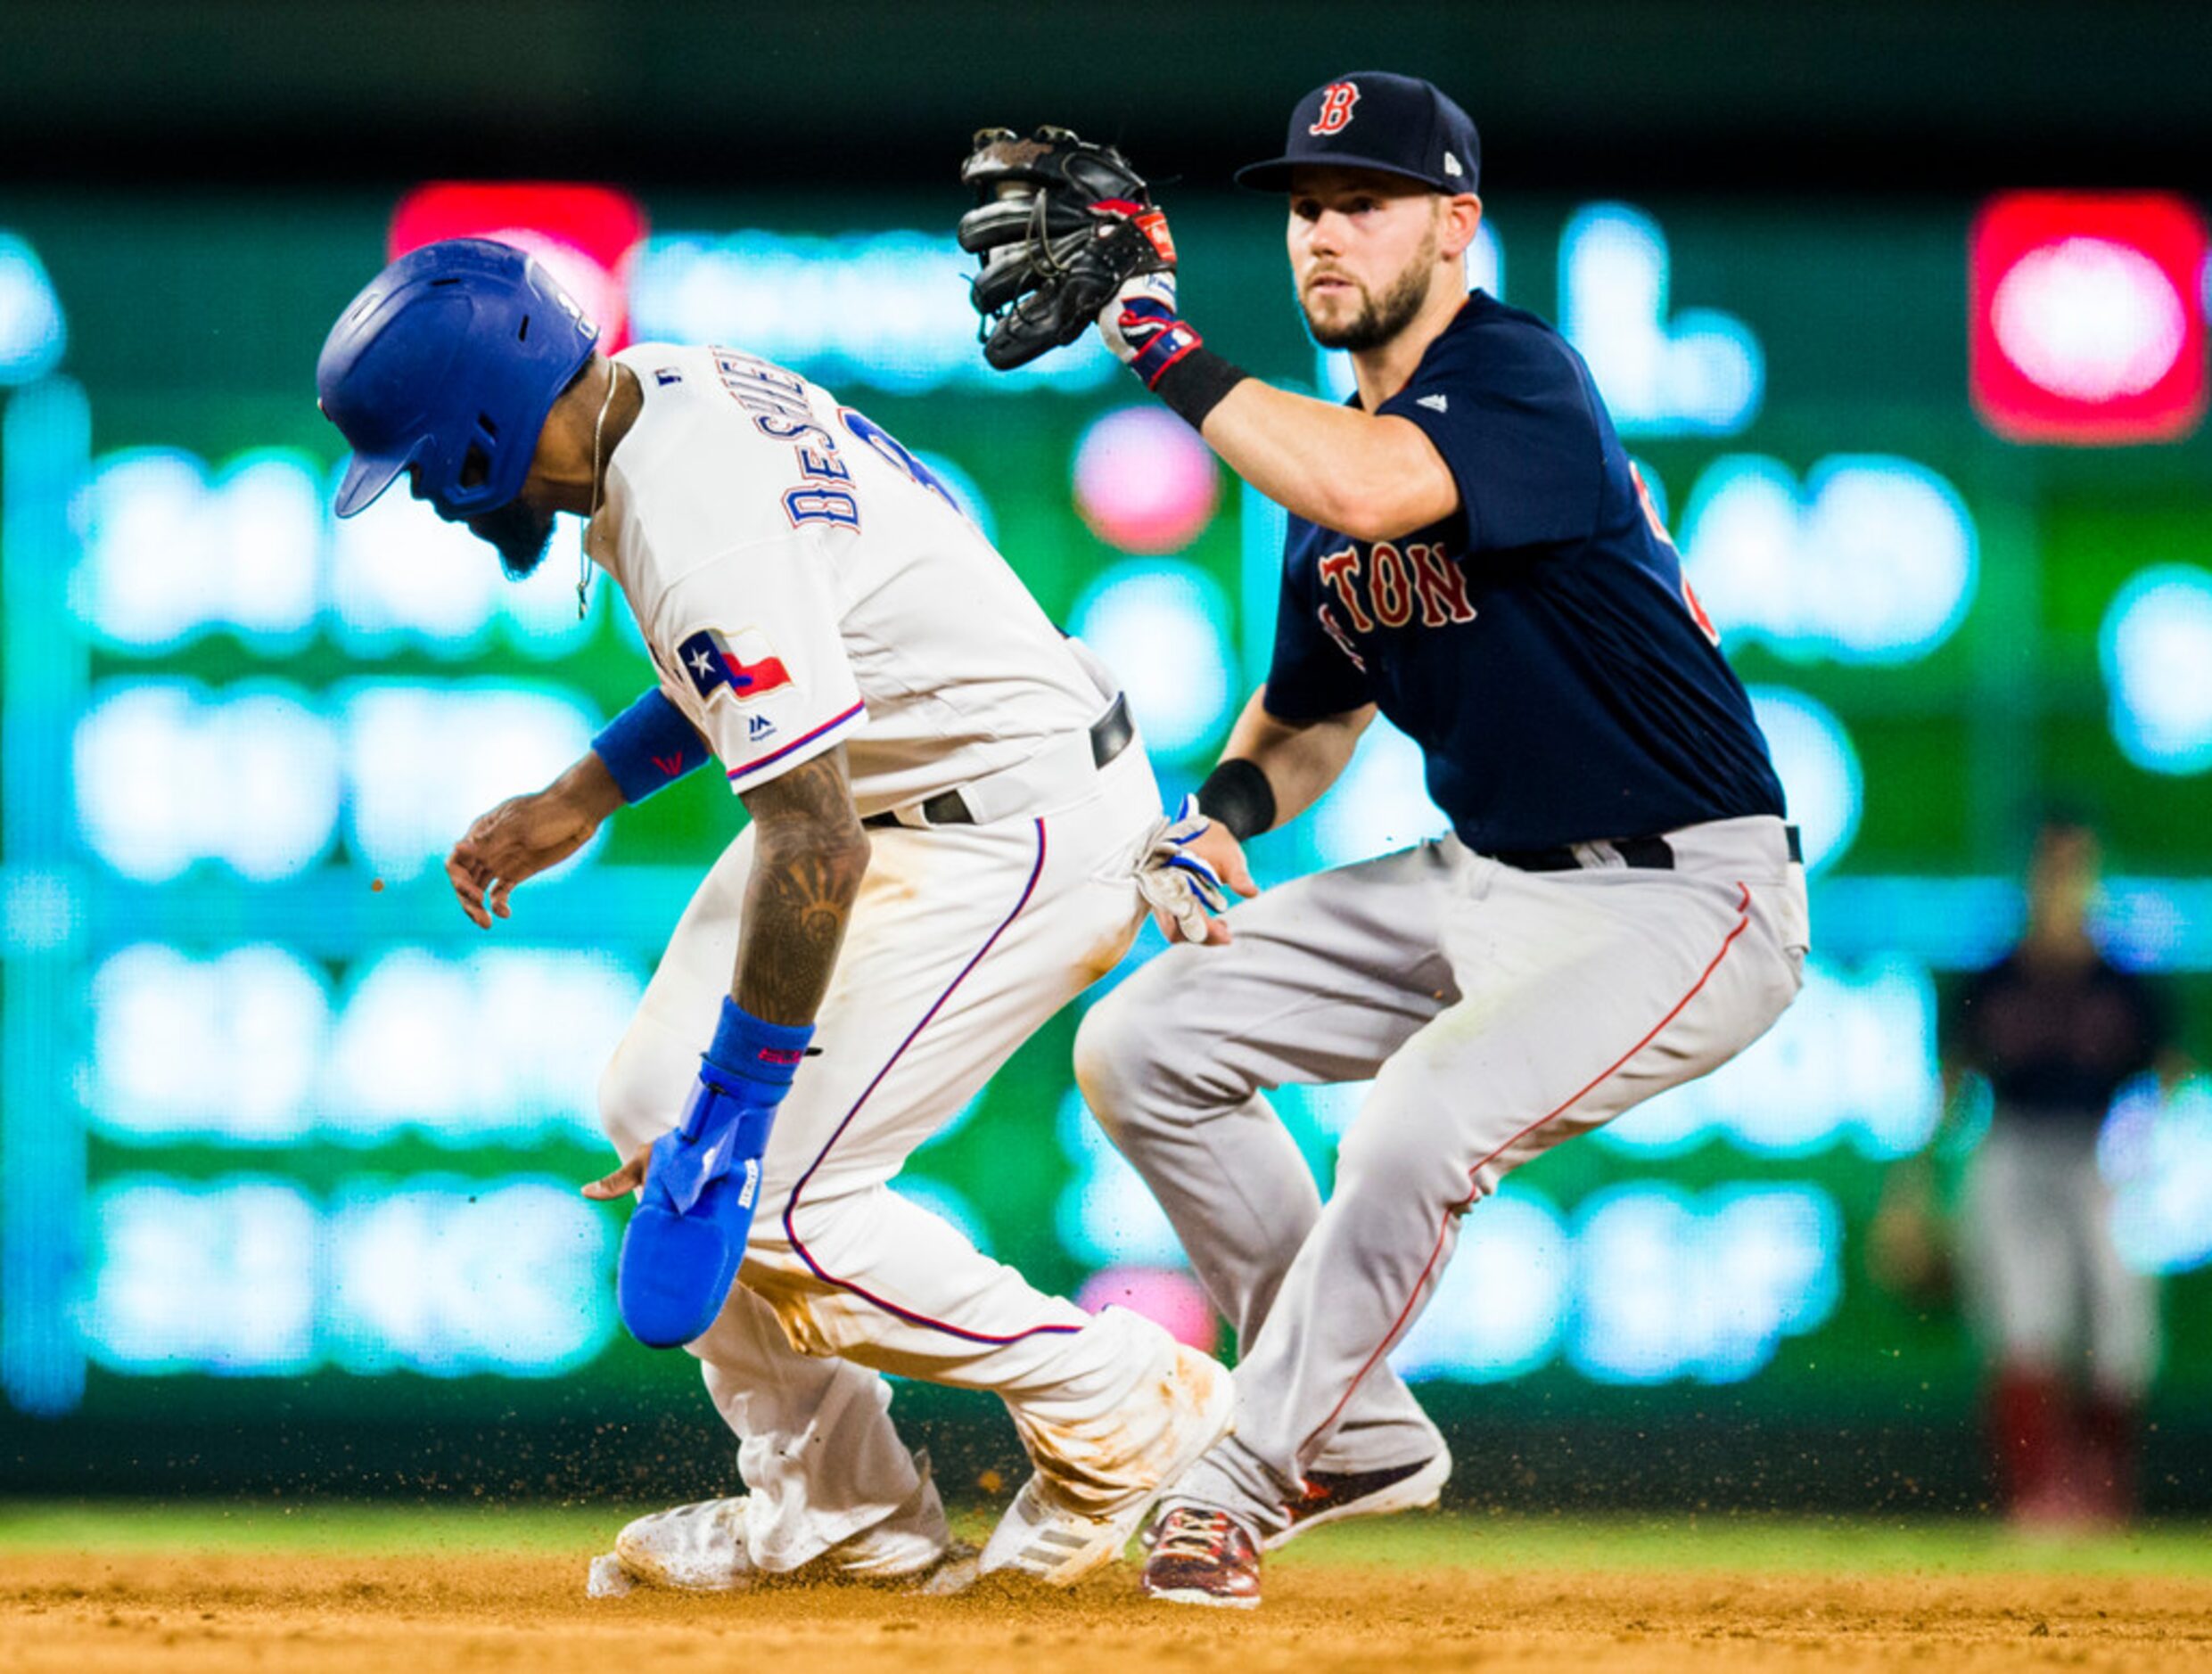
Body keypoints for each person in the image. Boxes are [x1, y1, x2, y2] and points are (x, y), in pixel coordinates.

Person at [314, 237, 1236, 1595]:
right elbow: (790, 650)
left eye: (416, 469)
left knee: (772, 1201)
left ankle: (1117, 1394)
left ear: (474, 437)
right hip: (910, 784)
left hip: (1013, 830)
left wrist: (734, 1120)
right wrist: (584, 792)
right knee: (648, 1106)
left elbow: (813, 838)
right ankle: (841, 1512)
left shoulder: (695, 521)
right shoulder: (657, 394)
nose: (431, 505)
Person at [1053, 73, 1813, 1606]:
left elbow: (1373, 484)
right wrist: (1223, 812)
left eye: (1363, 201)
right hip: (1482, 878)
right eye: (1303, 208)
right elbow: (1312, 711)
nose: (1322, 233)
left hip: (1686, 892)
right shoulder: (1324, 468)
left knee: (1413, 1119)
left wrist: (1151, 333)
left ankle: (1250, 1471)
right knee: (1142, 1042)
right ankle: (1358, 1423)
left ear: (1457, 224)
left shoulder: (1516, 374)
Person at [1889, 814, 2178, 1530]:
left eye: (2074, 871)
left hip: (2099, 1151)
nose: (2061, 887)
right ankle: (2036, 1498)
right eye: (2051, 871)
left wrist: (2152, 1157)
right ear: (2031, 880)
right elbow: (1952, 1084)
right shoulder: (1994, 976)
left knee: (2122, 1328)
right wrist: (1915, 1186)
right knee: (2023, 1323)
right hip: (2013, 1148)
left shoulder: (2123, 980)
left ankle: (2102, 1490)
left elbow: (2167, 1074)